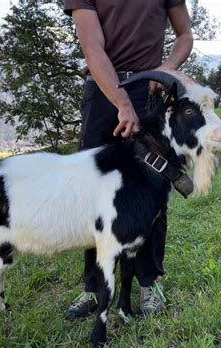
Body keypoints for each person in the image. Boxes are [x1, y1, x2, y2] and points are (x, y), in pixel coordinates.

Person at [63, 0, 193, 319]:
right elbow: (93, 50)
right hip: (102, 94)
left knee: (151, 191)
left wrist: (165, 69)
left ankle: (150, 284)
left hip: (147, 92)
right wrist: (121, 101)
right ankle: (94, 287)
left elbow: (185, 35)